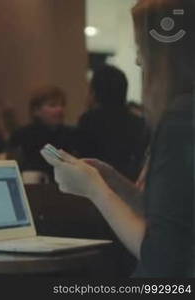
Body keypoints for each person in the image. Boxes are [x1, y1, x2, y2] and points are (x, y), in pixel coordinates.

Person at [42, 0, 194, 277]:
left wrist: (95, 190)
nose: (137, 60)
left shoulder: (181, 120)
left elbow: (160, 259)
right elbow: (176, 221)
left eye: (142, 48)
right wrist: (114, 183)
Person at [77, 65, 149, 180]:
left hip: (98, 183)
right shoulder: (139, 122)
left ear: (96, 91)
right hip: (130, 184)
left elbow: (84, 160)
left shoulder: (89, 121)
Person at [9, 86, 79, 176]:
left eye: (62, 105)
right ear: (36, 111)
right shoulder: (22, 135)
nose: (60, 109)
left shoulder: (71, 134)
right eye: (52, 105)